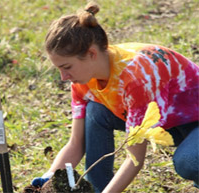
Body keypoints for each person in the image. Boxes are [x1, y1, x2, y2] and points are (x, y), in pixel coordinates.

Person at [31, 2, 199, 192]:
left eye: (67, 67)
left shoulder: (136, 78)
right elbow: (76, 143)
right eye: (59, 69)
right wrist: (47, 179)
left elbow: (134, 159)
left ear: (91, 53)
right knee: (95, 110)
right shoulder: (83, 80)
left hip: (194, 121)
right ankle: (98, 187)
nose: (63, 77)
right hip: (169, 122)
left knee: (189, 161)